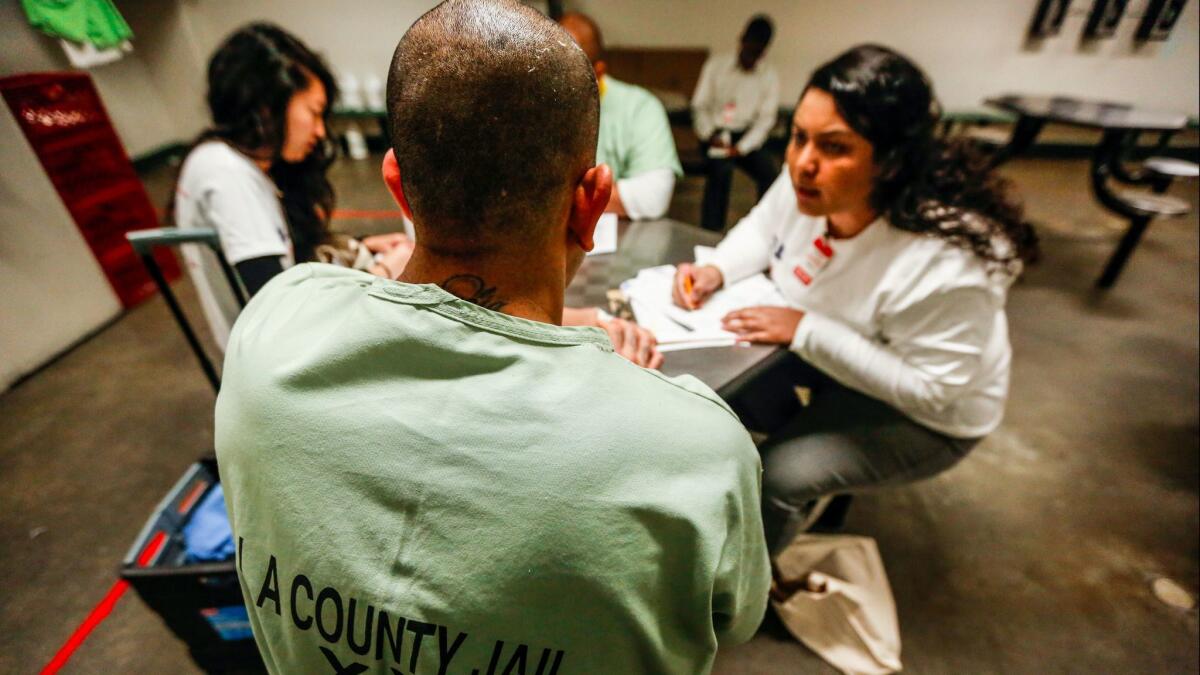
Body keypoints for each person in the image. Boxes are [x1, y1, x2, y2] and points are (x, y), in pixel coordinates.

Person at [216, 2, 770, 674]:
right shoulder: (697, 451)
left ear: (397, 183)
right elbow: (736, 616)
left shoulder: (272, 324)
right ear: (591, 204)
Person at [673, 45, 1038, 551]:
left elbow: (932, 390)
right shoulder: (811, 180)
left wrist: (804, 329)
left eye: (835, 147)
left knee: (779, 476)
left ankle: (740, 595)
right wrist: (718, 268)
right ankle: (808, 447)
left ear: (890, 162)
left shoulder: (948, 264)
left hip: (929, 415)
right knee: (725, 389)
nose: (803, 163)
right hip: (839, 339)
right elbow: (765, 227)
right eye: (798, 137)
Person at [172, 23, 413, 350]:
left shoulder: (224, 159)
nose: (318, 132)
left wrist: (364, 245)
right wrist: (384, 273)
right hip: (271, 353)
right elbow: (283, 315)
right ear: (267, 106)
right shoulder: (227, 174)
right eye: (313, 113)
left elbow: (279, 248)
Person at [559, 12, 683, 220]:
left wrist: (556, 199)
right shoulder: (531, 103)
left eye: (567, 72)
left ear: (598, 72)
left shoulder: (640, 108)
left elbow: (653, 197)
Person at [692, 15, 781, 233]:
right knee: (720, 170)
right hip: (715, 132)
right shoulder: (716, 66)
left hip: (746, 137)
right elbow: (699, 106)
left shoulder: (769, 77)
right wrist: (709, 134)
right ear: (741, 40)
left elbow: (765, 121)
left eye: (757, 52)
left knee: (769, 172)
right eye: (750, 48)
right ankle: (710, 231)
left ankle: (762, 230)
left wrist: (740, 148)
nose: (751, 56)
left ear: (765, 50)